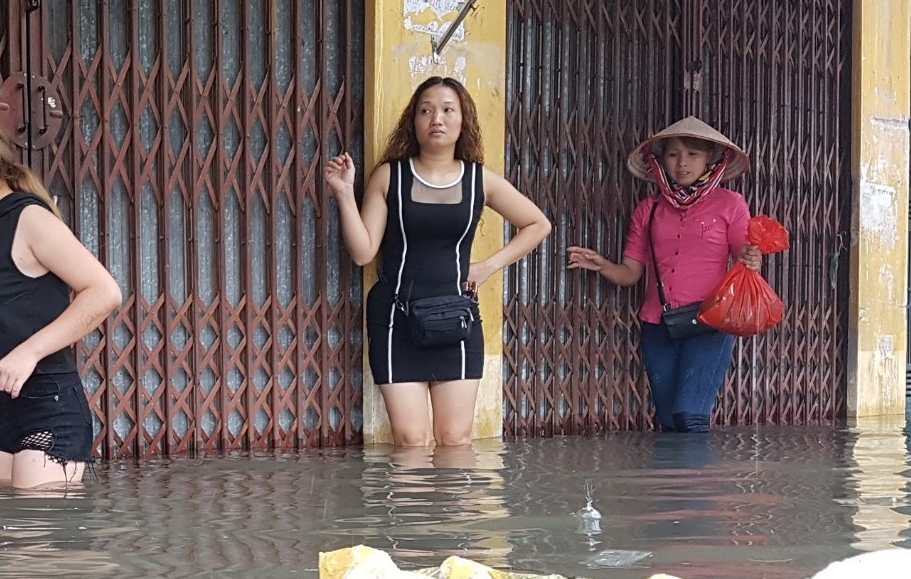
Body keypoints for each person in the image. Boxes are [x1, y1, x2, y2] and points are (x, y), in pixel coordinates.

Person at [326, 76, 551, 448]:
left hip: (457, 321)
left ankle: (454, 510)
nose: (437, 119)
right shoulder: (390, 176)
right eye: (426, 110)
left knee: (455, 438)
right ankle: (412, 510)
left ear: (464, 121)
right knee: (412, 440)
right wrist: (344, 193)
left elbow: (538, 224)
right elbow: (363, 252)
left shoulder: (480, 180)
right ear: (413, 121)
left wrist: (487, 266)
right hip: (395, 318)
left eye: (448, 110)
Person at [0, 103, 121, 489]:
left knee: (34, 541)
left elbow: (104, 292)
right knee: (3, 537)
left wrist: (30, 351)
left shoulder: (28, 219)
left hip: (45, 406)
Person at [566, 116, 765, 433]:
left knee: (690, 416)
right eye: (673, 155)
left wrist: (752, 258)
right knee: (670, 421)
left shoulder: (731, 204)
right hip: (659, 326)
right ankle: (676, 484)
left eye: (693, 155)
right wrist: (601, 264)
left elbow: (744, 253)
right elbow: (631, 273)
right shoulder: (649, 209)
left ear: (711, 159)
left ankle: (696, 481)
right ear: (660, 161)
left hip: (710, 324)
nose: (682, 164)